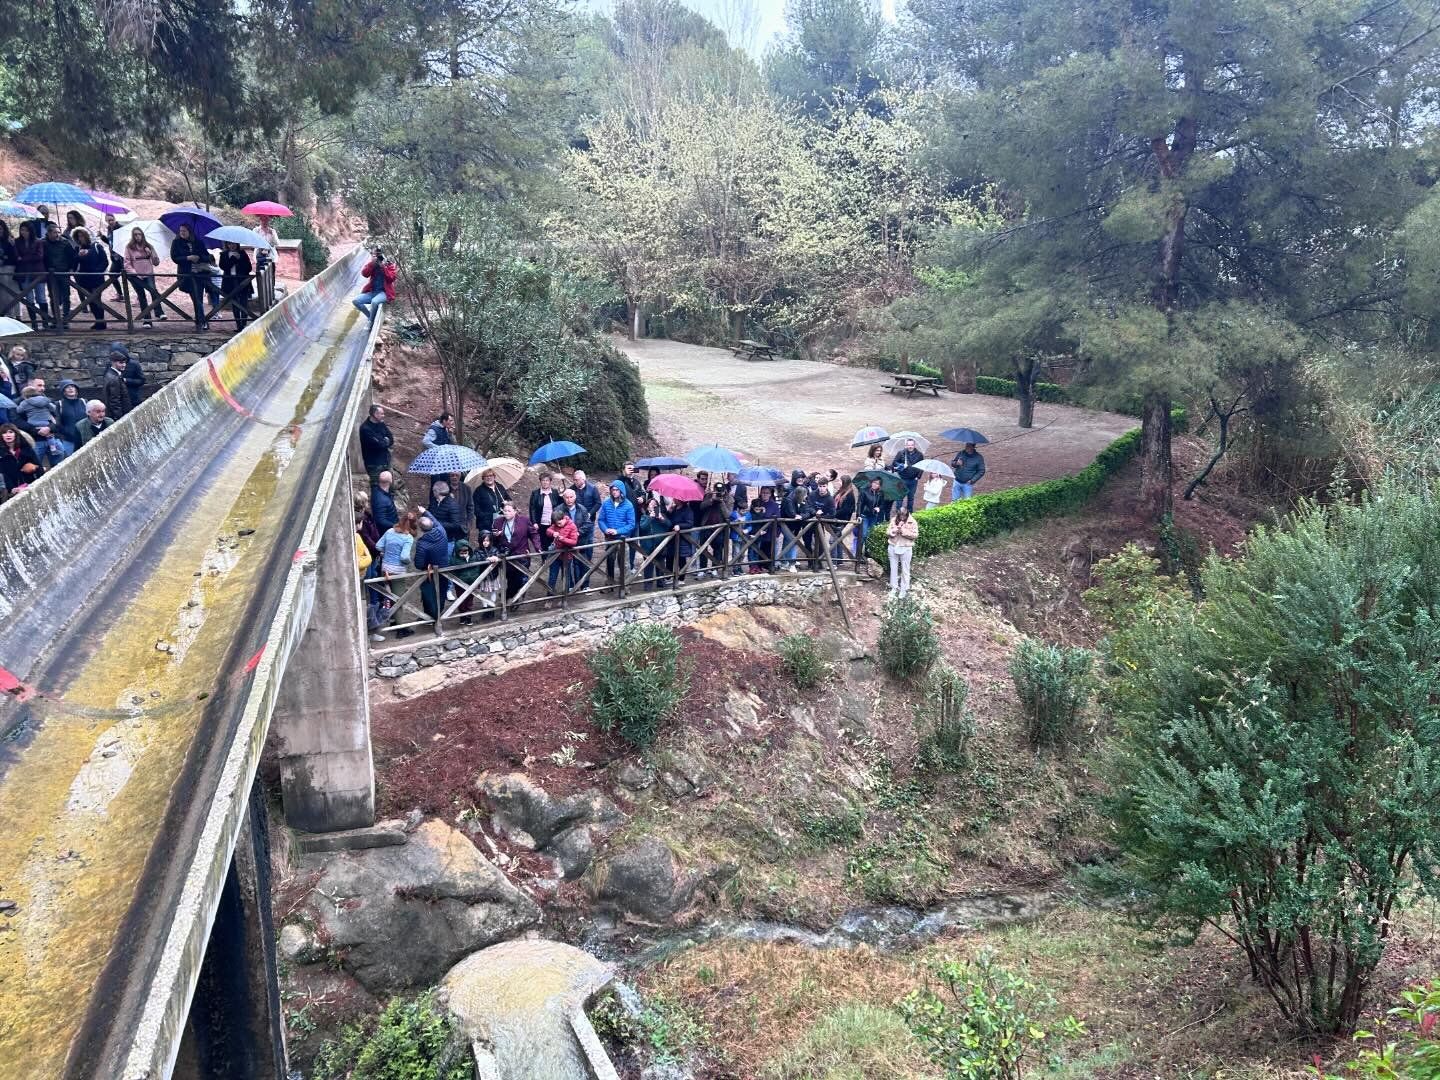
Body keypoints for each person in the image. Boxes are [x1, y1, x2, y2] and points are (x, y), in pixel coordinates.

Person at [371, 508, 420, 639]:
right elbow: (404, 557)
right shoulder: (408, 537)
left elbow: (378, 546)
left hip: (385, 568)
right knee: (398, 599)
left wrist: (387, 553)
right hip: (397, 571)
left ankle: (392, 620)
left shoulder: (389, 531)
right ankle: (400, 629)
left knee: (388, 596)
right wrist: (409, 561)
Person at [170, 223, 214, 330]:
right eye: (180, 231)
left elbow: (207, 257)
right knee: (195, 298)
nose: (182, 233)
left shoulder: (198, 242)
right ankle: (201, 321)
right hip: (186, 275)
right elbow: (175, 258)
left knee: (197, 298)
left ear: (189, 231)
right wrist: (188, 258)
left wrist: (198, 258)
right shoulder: (176, 243)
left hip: (200, 275)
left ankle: (201, 321)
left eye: (184, 231)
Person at [494, 501, 537, 599]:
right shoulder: (498, 522)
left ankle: (511, 596)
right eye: (504, 511)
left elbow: (533, 534)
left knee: (519, 579)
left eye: (509, 511)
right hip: (506, 556)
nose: (506, 513)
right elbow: (494, 539)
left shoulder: (524, 520)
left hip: (521, 554)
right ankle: (513, 598)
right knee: (509, 578)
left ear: (515, 511)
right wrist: (497, 536)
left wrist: (538, 547)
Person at [413, 512, 450, 620]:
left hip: (429, 573)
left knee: (428, 594)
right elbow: (435, 520)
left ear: (421, 529)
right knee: (441, 592)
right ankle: (439, 613)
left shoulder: (422, 543)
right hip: (444, 568)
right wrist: (425, 512)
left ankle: (430, 616)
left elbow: (418, 564)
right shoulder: (441, 531)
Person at [123, 227, 164, 326]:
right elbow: (127, 264)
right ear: (133, 236)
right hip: (135, 276)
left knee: (153, 291)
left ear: (142, 235)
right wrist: (135, 274)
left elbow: (156, 263)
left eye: (139, 234)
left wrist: (151, 254)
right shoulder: (129, 247)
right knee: (141, 296)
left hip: (148, 274)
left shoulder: (149, 246)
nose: (138, 236)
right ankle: (147, 320)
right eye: (135, 234)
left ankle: (159, 312)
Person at [71, 227, 111, 330]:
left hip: (96, 278)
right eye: (78, 236)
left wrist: (97, 272)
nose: (81, 238)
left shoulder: (97, 246)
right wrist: (78, 256)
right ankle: (98, 321)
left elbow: (104, 261)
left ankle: (101, 321)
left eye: (82, 235)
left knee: (97, 300)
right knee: (90, 301)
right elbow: (74, 264)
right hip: (84, 279)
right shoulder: (78, 249)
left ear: (86, 236)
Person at [597, 479, 636, 580]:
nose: (614, 492)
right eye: (613, 489)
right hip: (609, 538)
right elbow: (601, 519)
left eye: (617, 490)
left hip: (623, 539)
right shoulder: (606, 503)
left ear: (621, 491)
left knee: (624, 564)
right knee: (609, 562)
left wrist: (618, 531)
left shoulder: (628, 505)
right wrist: (605, 530)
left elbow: (631, 524)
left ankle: (625, 587)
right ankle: (609, 585)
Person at [42, 222, 77, 329]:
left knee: (66, 296)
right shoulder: (43, 243)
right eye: (54, 233)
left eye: (58, 232)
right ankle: (56, 319)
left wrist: (71, 269)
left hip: (63, 272)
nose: (57, 235)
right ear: (48, 233)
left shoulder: (65, 242)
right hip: (51, 274)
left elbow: (72, 257)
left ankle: (65, 319)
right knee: (53, 297)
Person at [14, 222, 46, 328]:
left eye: (26, 230)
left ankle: (45, 320)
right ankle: (34, 322)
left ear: (30, 231)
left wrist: (23, 258)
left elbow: (39, 256)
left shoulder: (38, 241)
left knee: (41, 297)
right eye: (22, 230)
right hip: (24, 273)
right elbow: (16, 256)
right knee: (29, 299)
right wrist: (27, 257)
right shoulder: (17, 242)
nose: (24, 232)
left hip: (37, 273)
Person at [546, 502, 582, 592]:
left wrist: (562, 539)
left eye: (559, 523)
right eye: (556, 524)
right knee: (552, 576)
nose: (558, 525)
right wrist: (553, 533)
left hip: (567, 555)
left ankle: (565, 597)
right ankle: (549, 596)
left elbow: (574, 542)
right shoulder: (555, 524)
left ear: (563, 518)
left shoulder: (572, 526)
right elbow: (548, 530)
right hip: (555, 555)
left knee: (565, 576)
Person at [353, 247, 396, 321]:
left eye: (379, 255)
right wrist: (371, 263)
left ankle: (370, 322)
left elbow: (391, 278)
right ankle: (370, 317)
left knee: (374, 302)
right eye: (374, 254)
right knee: (356, 301)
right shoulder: (372, 265)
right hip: (373, 292)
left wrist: (384, 267)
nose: (377, 257)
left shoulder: (389, 264)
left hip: (384, 293)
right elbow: (364, 274)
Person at [636, 497, 671, 589]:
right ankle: (648, 585)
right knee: (648, 566)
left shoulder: (662, 516)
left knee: (660, 564)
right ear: (647, 507)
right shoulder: (644, 517)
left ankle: (661, 582)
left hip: (660, 545)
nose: (653, 506)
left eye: (655, 504)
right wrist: (650, 518)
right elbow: (642, 528)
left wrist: (662, 519)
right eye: (651, 504)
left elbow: (669, 525)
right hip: (648, 546)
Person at [218, 241, 253, 328]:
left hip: (242, 281)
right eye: (229, 244)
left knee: (243, 301)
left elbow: (249, 268)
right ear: (227, 245)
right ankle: (238, 325)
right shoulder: (224, 254)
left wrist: (240, 259)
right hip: (229, 281)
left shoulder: (242, 253)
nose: (232, 246)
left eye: (233, 244)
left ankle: (244, 323)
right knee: (234, 302)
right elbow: (224, 267)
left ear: (237, 244)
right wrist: (234, 259)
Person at [886, 507, 919, 598]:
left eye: (904, 516)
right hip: (893, 546)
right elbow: (888, 532)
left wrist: (903, 531)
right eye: (900, 516)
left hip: (906, 548)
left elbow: (915, 535)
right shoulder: (893, 520)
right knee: (893, 568)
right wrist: (894, 531)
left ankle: (903, 589)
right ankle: (894, 587)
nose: (902, 518)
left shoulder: (913, 522)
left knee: (905, 569)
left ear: (907, 515)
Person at [0, 423, 42, 490]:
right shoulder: (1, 454)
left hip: (31, 485)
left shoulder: (27, 449)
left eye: (11, 432)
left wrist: (34, 468)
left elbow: (39, 467)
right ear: (1, 436)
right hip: (13, 489)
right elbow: (4, 474)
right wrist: (12, 489)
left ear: (15, 434)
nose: (8, 435)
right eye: (4, 433)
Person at [359, 404, 394, 481]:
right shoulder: (365, 429)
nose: (383, 416)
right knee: (377, 487)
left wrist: (385, 441)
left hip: (386, 461)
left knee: (389, 486)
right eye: (381, 414)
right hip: (374, 465)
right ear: (375, 414)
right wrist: (384, 441)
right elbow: (379, 445)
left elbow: (391, 439)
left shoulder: (381, 424)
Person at [528, 471, 561, 550]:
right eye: (543, 480)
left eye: (547, 480)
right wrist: (534, 522)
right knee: (543, 544)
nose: (545, 482)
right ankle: (544, 561)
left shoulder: (555, 492)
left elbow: (560, 505)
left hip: (553, 523)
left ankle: (552, 561)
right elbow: (532, 509)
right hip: (541, 523)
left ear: (550, 482)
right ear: (540, 482)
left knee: (553, 543)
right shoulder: (535, 493)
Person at [891, 438, 924, 512]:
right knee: (899, 497)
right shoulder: (901, 453)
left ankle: (910, 513)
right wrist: (902, 465)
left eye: (912, 445)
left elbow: (922, 466)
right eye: (908, 445)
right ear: (906, 445)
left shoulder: (919, 455)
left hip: (913, 480)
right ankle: (898, 513)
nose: (910, 446)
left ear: (914, 445)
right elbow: (894, 463)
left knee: (911, 498)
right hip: (902, 479)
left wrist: (918, 477)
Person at [858, 477, 887, 553]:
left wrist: (879, 508)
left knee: (870, 535)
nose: (875, 484)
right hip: (865, 515)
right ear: (871, 482)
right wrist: (858, 515)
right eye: (874, 482)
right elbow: (859, 503)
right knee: (863, 534)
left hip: (874, 516)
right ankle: (859, 553)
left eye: (877, 483)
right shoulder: (864, 491)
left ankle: (867, 553)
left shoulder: (880, 493)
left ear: (879, 485)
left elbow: (882, 504)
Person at [55, 380, 87, 446]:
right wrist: (66, 433)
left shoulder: (84, 402)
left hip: (85, 438)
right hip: (69, 440)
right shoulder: (59, 404)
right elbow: (58, 423)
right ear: (63, 391)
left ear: (76, 389)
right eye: (67, 387)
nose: (70, 388)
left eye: (72, 386)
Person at [102, 350, 132, 419]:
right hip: (119, 416)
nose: (124, 365)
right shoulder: (114, 378)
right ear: (113, 362)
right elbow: (115, 401)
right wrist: (119, 418)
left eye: (125, 363)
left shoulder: (112, 374)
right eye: (121, 363)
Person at [0, 220, 18, 318]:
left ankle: (11, 315)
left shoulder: (9, 240)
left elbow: (13, 256)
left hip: (8, 268)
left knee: (8, 292)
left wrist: (4, 260)